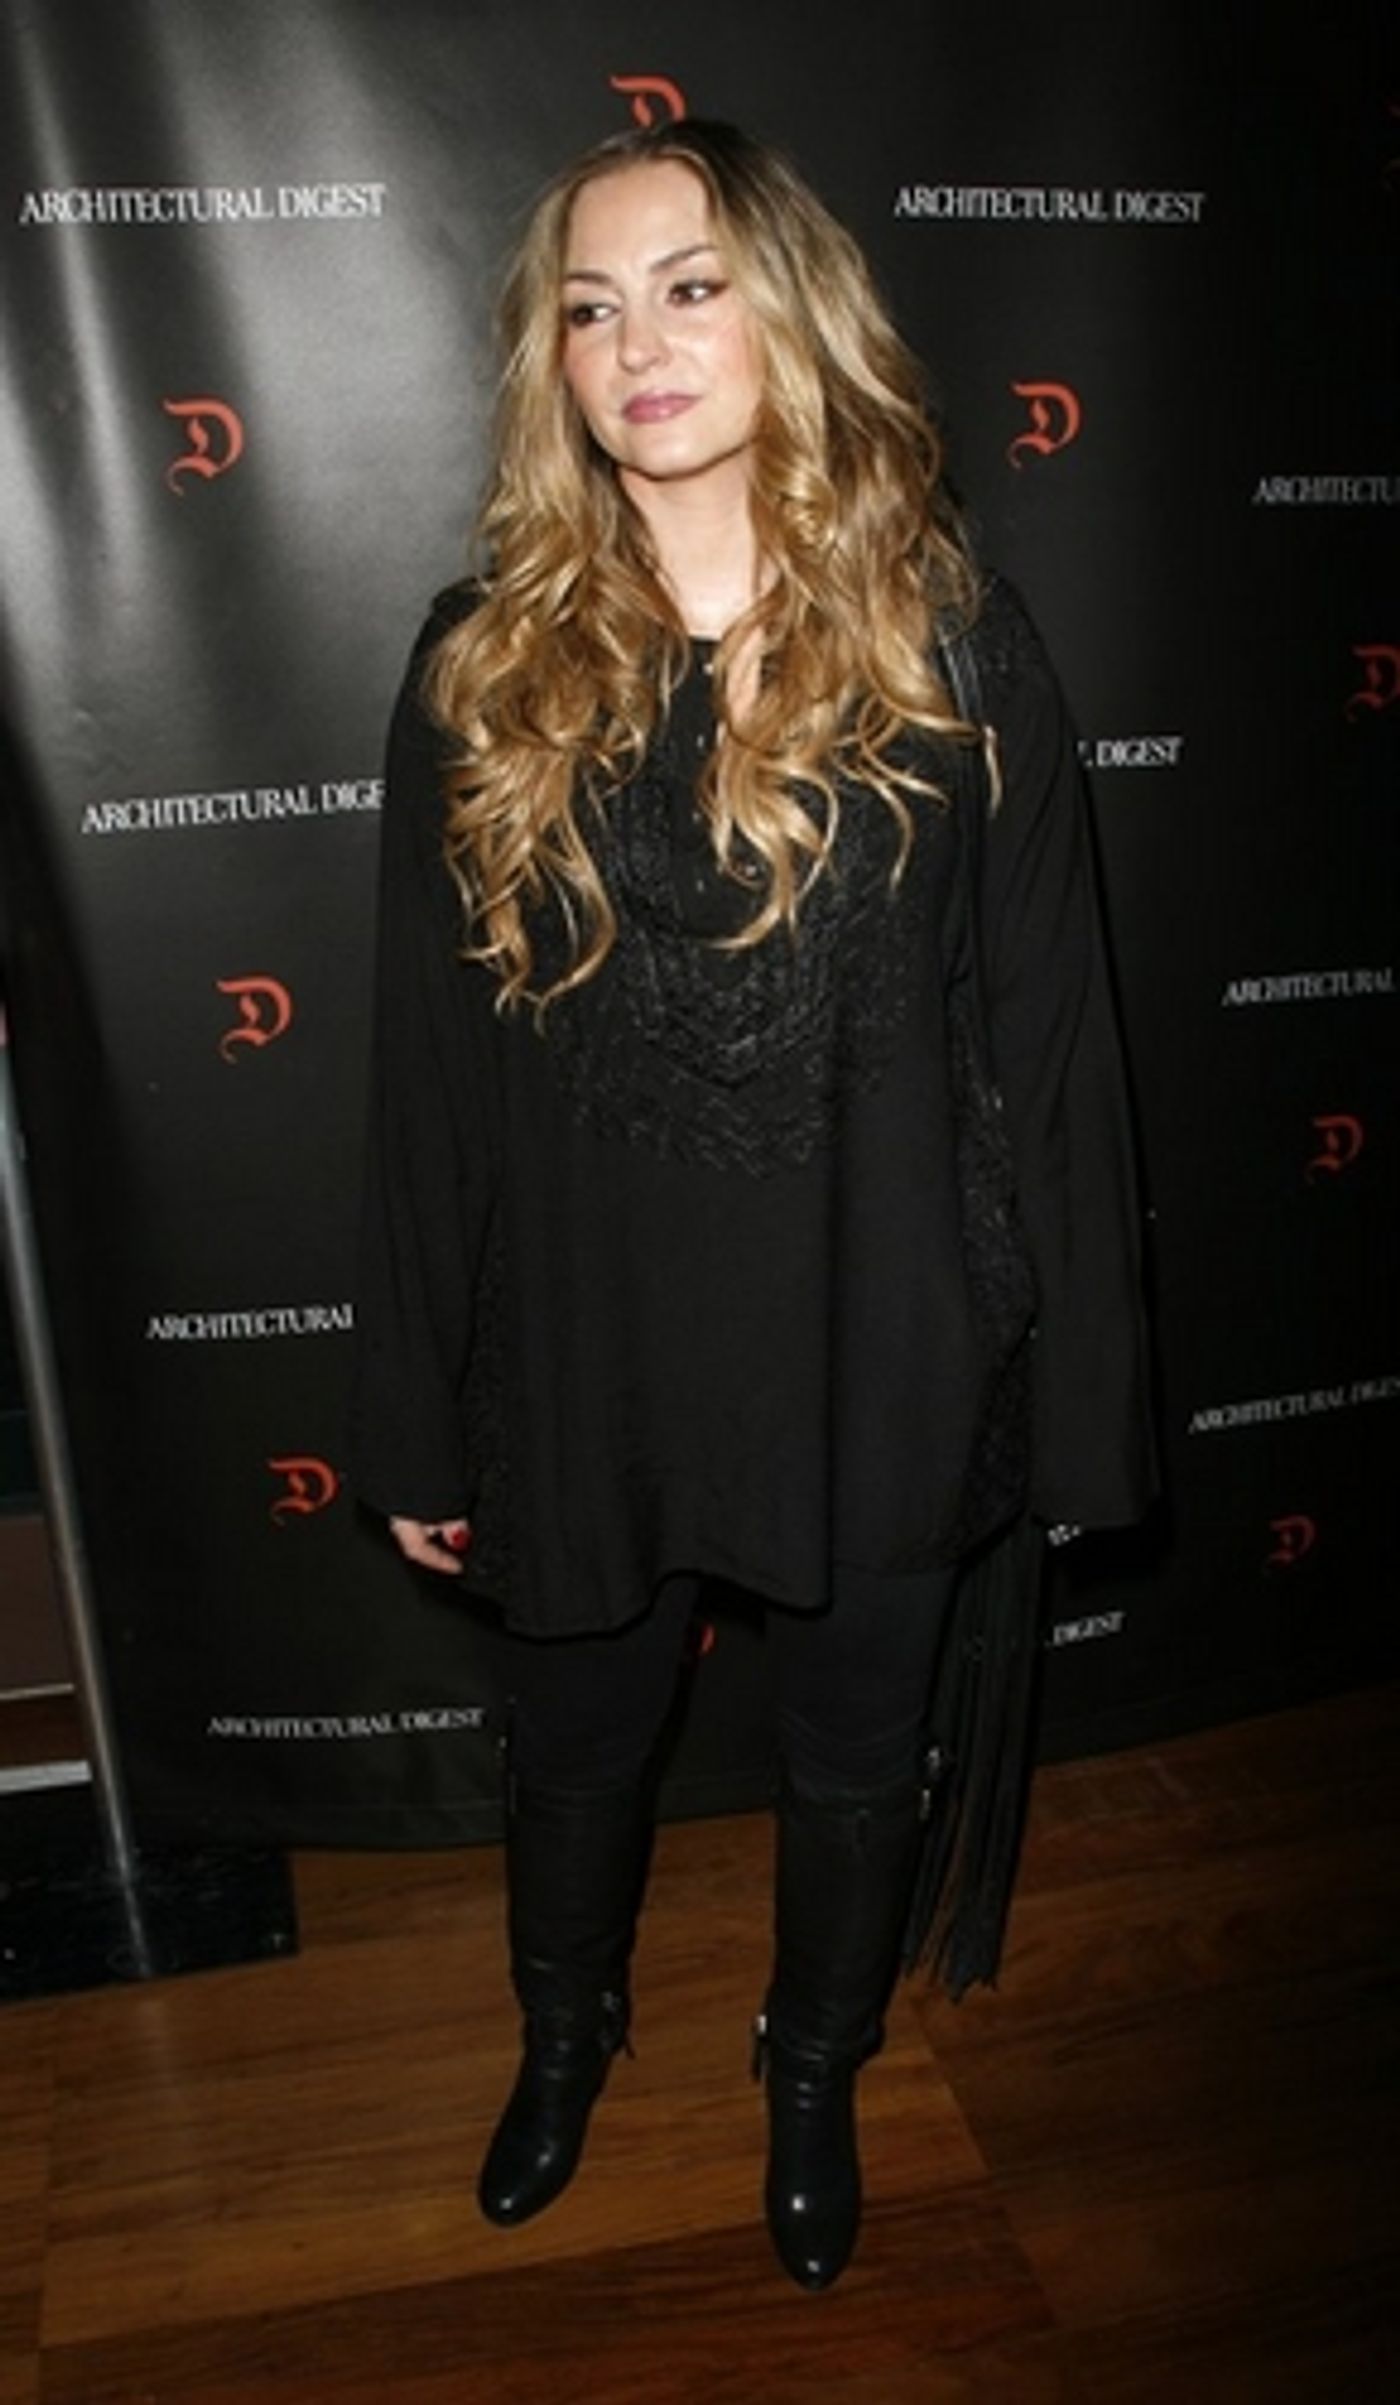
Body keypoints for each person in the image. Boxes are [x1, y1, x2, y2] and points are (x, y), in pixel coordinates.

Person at [350, 116, 1154, 2292]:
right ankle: (564, 2039)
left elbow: (1053, 1052)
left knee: (855, 1760)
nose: (639, 343)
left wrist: (1084, 1411)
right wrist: (412, 1411)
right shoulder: (478, 668)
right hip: (587, 1350)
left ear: (791, 314)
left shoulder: (955, 648)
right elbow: (426, 1082)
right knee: (573, 1747)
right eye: (590, 307)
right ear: (553, 363)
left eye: (690, 286)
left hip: (881, 1334)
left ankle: (811, 2068)